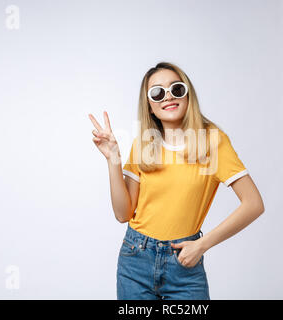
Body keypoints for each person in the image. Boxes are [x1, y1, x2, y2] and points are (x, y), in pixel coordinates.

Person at [89, 62, 265, 300]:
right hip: (135, 259)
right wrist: (113, 160)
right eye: (158, 92)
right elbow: (123, 214)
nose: (168, 96)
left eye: (176, 89)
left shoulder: (211, 141)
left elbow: (253, 204)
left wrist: (202, 245)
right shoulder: (145, 143)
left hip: (184, 264)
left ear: (187, 95)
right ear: (149, 106)